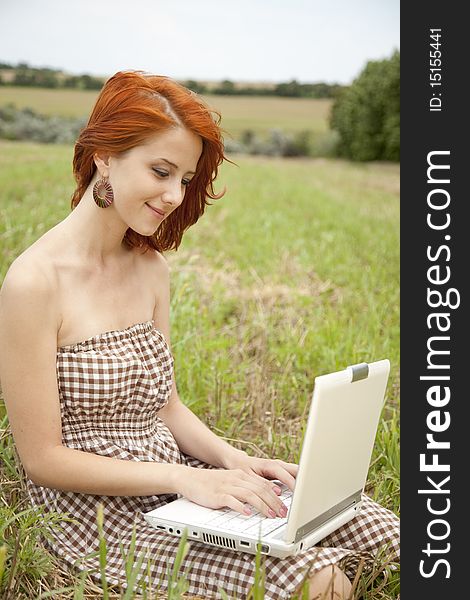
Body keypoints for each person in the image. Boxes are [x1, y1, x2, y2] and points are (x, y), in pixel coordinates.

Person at [0, 70, 399, 599]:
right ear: (105, 155)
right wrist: (185, 480)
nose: (172, 194)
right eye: (160, 171)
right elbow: (43, 459)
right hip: (96, 516)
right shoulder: (33, 283)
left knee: (390, 534)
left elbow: (166, 407)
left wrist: (230, 460)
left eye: (184, 179)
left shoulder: (150, 268)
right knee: (322, 582)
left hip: (177, 481)